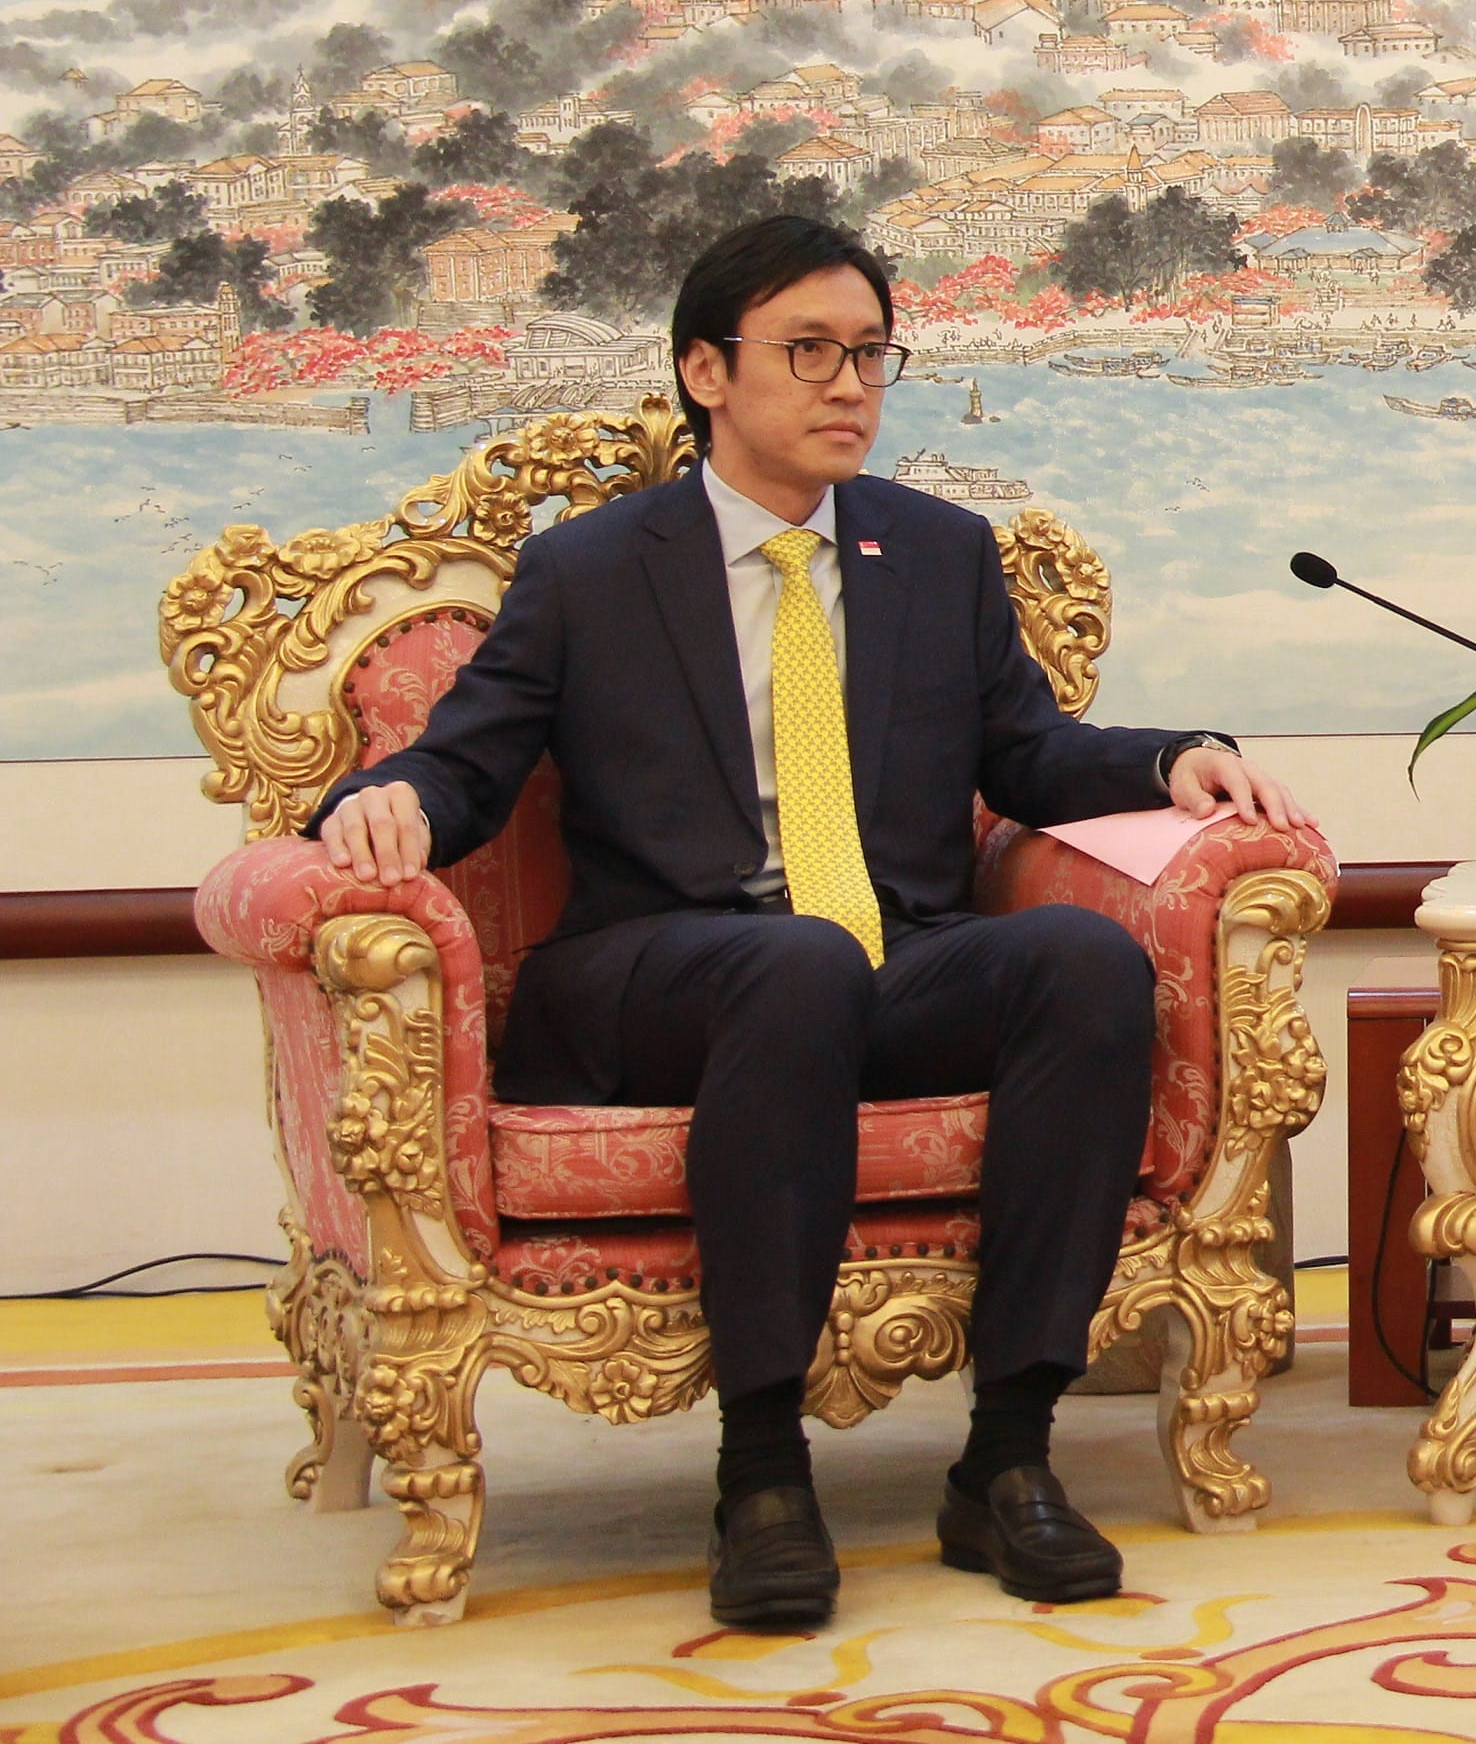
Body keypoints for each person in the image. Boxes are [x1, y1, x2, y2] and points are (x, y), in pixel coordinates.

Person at [310, 215, 1305, 1632]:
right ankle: (762, 1470)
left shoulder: (938, 554)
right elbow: (470, 758)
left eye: (870, 355)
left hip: (876, 951)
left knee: (1080, 960)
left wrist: (1170, 761)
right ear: (708, 373)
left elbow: (1024, 753)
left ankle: (1008, 1456)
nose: (850, 385)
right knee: (793, 962)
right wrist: (389, 799)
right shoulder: (592, 569)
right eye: (809, 353)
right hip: (660, 967)